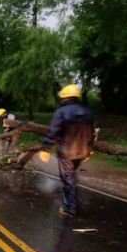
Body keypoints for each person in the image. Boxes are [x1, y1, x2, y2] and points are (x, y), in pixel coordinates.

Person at [38, 84, 94, 218]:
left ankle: (70, 209)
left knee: (68, 180)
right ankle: (69, 204)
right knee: (71, 177)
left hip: (66, 152)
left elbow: (53, 131)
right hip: (82, 151)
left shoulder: (62, 112)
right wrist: (89, 150)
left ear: (65, 98)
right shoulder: (87, 112)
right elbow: (91, 133)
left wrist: (45, 148)